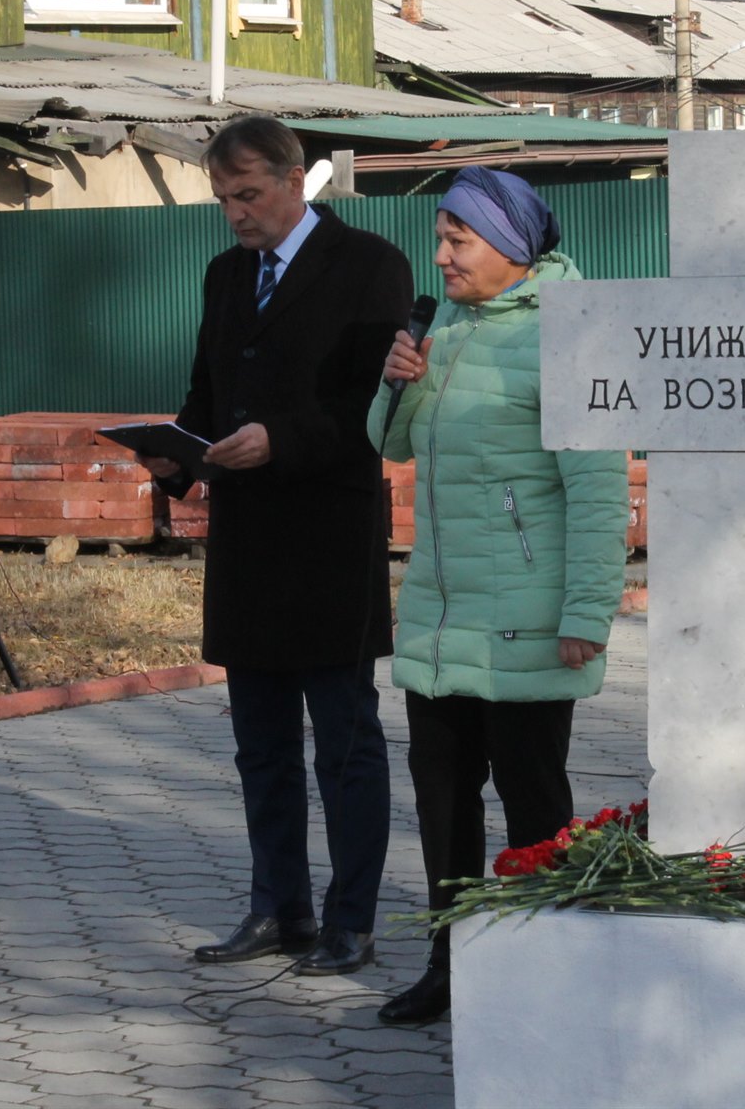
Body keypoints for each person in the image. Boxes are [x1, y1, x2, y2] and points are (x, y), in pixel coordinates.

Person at [140, 116, 411, 976]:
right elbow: (207, 392)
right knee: (260, 744)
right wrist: (175, 453)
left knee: (345, 743)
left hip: (329, 537)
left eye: (249, 195)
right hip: (248, 541)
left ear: (296, 180)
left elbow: (374, 407)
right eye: (223, 199)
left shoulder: (369, 264)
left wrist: (281, 440)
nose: (236, 214)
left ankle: (351, 920)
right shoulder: (226, 274)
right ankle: (278, 907)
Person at [365, 166, 629, 1023]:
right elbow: (391, 447)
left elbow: (597, 491)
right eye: (440, 239)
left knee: (533, 804)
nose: (441, 256)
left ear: (512, 247)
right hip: (443, 618)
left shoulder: (567, 337)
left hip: (528, 619)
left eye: (458, 240)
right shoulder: (447, 325)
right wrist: (398, 379)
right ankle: (452, 968)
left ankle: (546, 977)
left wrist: (586, 613)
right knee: (443, 805)